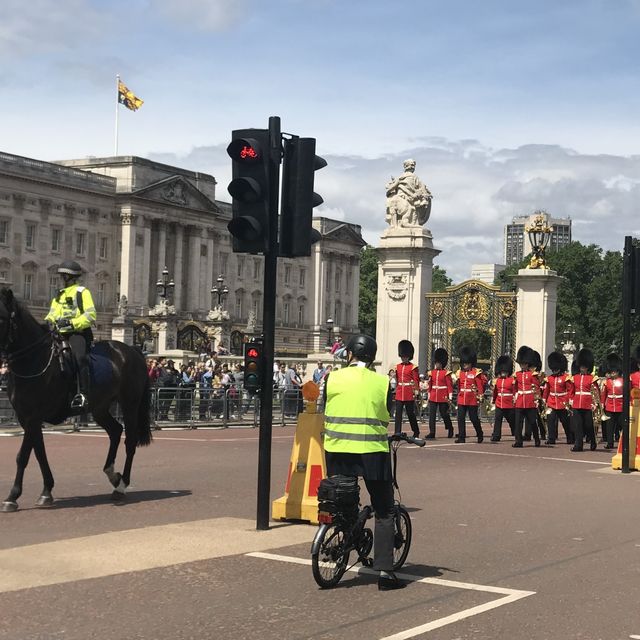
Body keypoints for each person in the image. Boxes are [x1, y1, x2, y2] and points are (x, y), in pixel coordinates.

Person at [322, 334, 405, 591]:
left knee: (343, 500)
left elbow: (327, 406)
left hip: (337, 450)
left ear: (349, 354)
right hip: (371, 451)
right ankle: (385, 573)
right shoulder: (382, 382)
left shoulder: (332, 377)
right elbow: (386, 412)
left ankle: (345, 537)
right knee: (384, 509)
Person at [44, 260, 96, 409]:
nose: (61, 278)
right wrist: (48, 322)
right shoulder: (59, 295)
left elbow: (90, 315)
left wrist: (72, 323)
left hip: (76, 333)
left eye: (63, 276)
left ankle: (84, 394)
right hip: (58, 333)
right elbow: (52, 313)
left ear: (69, 277)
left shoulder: (82, 292)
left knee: (80, 358)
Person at [569, 348, 598, 452]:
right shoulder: (575, 377)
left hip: (587, 404)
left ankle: (593, 440)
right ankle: (578, 445)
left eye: (584, 367)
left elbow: (595, 392)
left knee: (588, 425)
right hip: (577, 403)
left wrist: (594, 403)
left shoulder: (592, 378)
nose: (582, 368)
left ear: (588, 367)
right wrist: (571, 400)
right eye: (581, 366)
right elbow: (571, 391)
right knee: (578, 426)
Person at [454, 346, 484, 443]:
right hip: (462, 397)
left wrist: (480, 395)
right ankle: (461, 437)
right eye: (463, 363)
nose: (465, 365)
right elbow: (458, 386)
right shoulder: (460, 373)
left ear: (471, 363)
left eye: (466, 363)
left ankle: (479, 433)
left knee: (473, 418)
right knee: (460, 418)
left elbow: (479, 386)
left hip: (472, 398)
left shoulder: (476, 372)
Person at [513, 346, 541, 448]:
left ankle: (537, 439)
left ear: (528, 363)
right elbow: (515, 388)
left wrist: (536, 399)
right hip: (520, 400)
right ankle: (518, 441)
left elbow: (536, 387)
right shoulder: (517, 374)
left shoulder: (532, 374)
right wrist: (514, 396)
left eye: (524, 364)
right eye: (521, 364)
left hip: (530, 401)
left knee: (533, 422)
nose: (523, 366)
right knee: (518, 423)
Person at [543, 352, 573, 445]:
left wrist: (568, 401)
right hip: (552, 402)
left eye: (556, 368)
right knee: (550, 421)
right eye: (553, 368)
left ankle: (570, 437)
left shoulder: (565, 378)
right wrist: (544, 399)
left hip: (562, 402)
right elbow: (547, 390)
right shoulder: (549, 378)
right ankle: (551, 438)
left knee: (565, 422)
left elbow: (569, 390)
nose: (554, 370)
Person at [393, 340, 420, 438]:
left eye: (405, 356)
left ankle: (416, 431)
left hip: (409, 392)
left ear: (409, 356)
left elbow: (416, 380)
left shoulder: (413, 367)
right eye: (402, 356)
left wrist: (416, 390)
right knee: (398, 414)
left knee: (410, 414)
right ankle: (397, 432)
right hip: (400, 392)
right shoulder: (397, 367)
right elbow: (397, 379)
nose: (403, 358)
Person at [426, 347, 454, 439]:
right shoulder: (432, 373)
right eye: (436, 363)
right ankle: (432, 432)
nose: (437, 364)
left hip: (443, 396)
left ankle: (450, 427)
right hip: (434, 395)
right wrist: (429, 395)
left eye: (438, 363)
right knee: (432, 415)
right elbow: (430, 385)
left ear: (442, 363)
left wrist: (450, 397)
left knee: (444, 414)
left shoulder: (446, 373)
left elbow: (449, 386)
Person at [601, 353, 624, 449]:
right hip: (610, 406)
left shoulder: (623, 381)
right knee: (609, 426)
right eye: (612, 371)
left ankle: (624, 443)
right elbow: (604, 394)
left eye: (615, 371)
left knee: (623, 425)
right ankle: (610, 443)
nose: (613, 373)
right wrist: (602, 404)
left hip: (620, 406)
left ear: (618, 371)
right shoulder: (607, 382)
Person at [490, 355, 516, 442]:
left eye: (505, 371)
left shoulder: (512, 380)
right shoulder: (497, 381)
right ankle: (496, 436)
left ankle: (516, 432)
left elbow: (514, 391)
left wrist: (514, 400)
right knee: (498, 419)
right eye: (502, 371)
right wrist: (493, 401)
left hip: (509, 404)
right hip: (499, 402)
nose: (503, 373)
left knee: (511, 419)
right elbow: (495, 392)